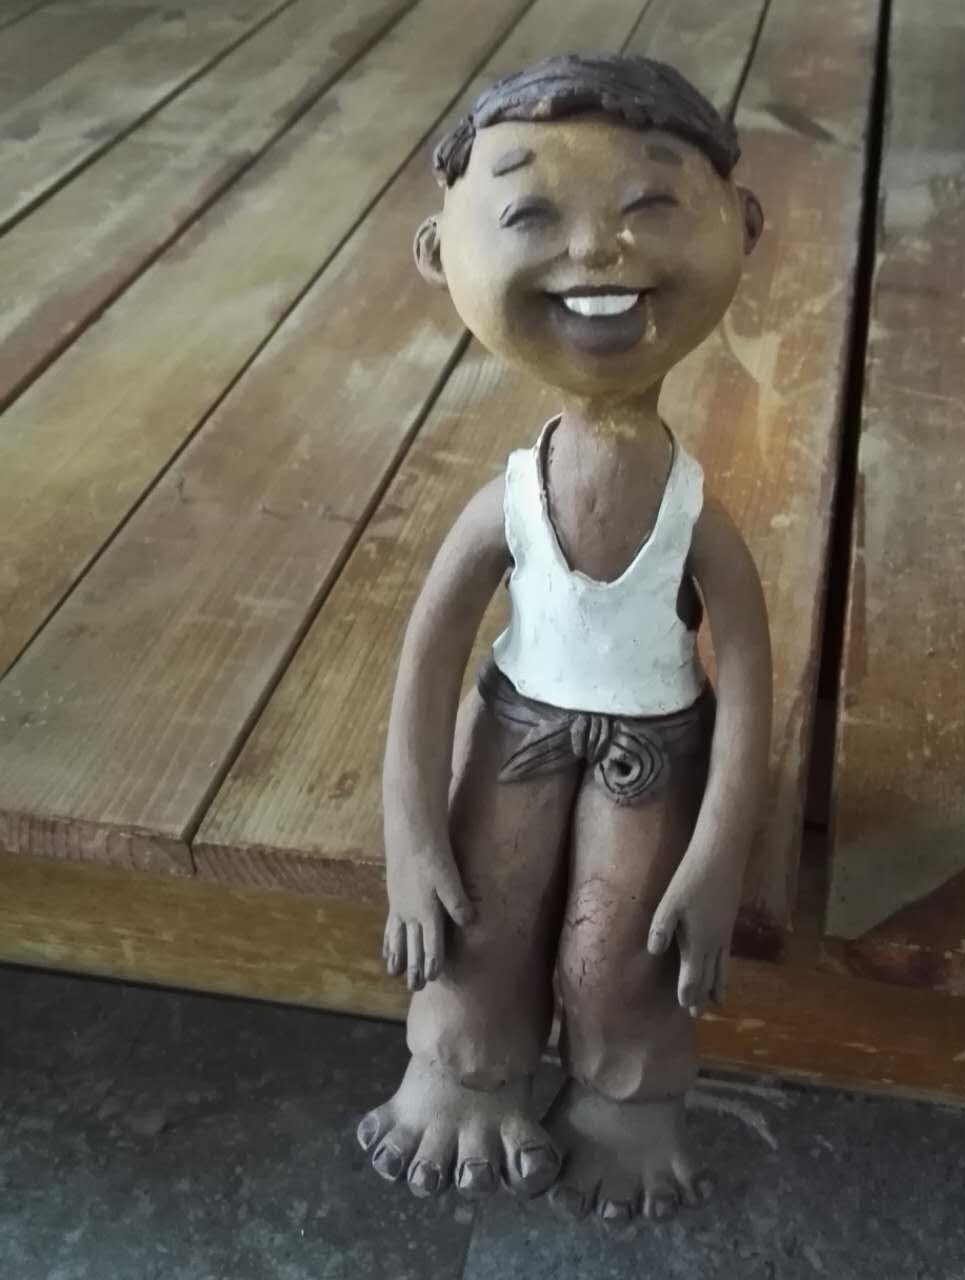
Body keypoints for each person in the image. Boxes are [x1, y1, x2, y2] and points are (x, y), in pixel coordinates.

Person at [355, 53, 771, 1224]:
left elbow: (747, 676)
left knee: (623, 943)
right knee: (474, 915)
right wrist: (408, 836)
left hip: (657, 746)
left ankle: (628, 1098)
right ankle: (462, 1067)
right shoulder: (503, 503)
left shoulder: (696, 516)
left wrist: (717, 857)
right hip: (515, 731)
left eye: (650, 205)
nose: (595, 249)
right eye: (528, 213)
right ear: (438, 250)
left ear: (741, 227)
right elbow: (428, 656)